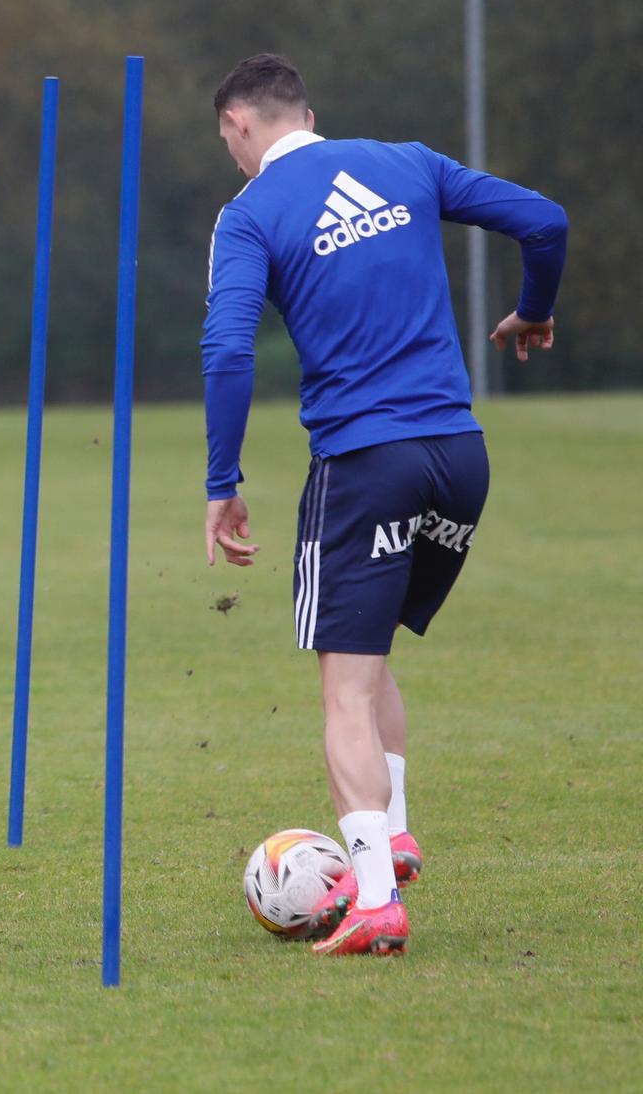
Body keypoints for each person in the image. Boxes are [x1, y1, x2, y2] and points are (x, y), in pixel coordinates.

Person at [201, 54, 567, 956]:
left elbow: (227, 349)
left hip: (367, 464)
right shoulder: (407, 162)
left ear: (239, 126)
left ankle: (374, 903)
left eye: (228, 143)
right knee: (369, 656)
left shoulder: (249, 215)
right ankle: (394, 834)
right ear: (311, 114)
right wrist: (533, 311)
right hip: (460, 456)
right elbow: (545, 221)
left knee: (343, 687)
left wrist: (222, 480)